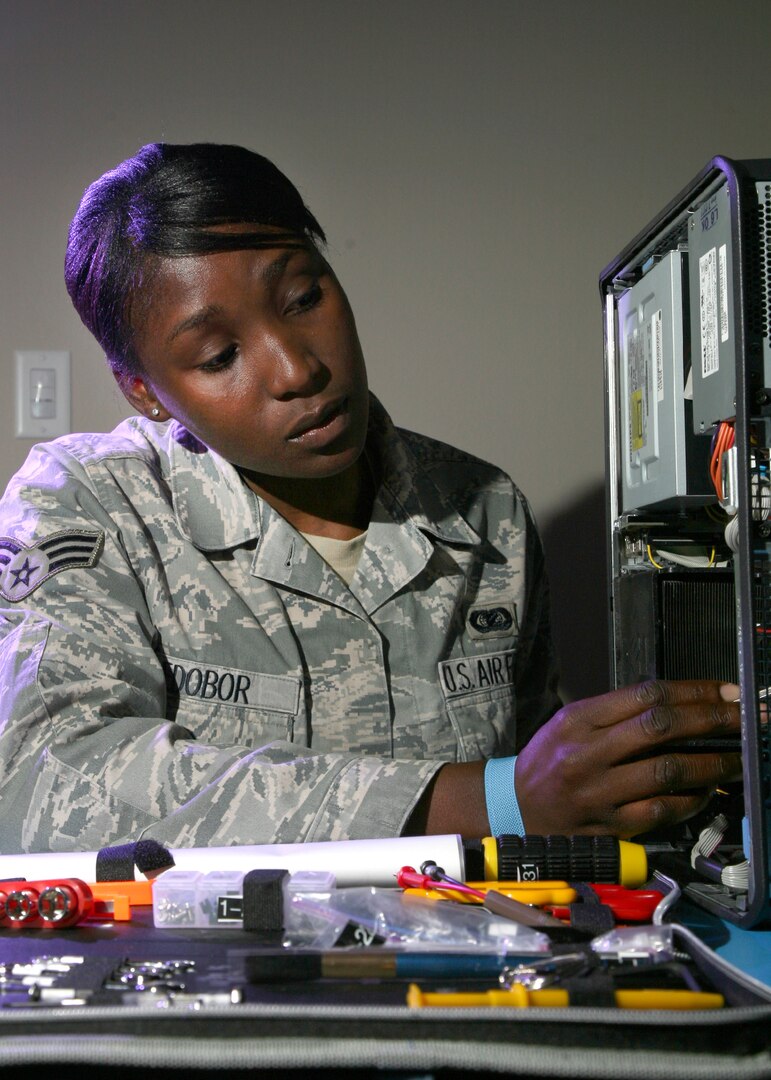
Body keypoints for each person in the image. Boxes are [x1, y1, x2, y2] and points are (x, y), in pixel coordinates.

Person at [0, 143, 741, 854]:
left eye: (302, 297)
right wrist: (485, 800)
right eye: (218, 356)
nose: (297, 368)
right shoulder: (87, 506)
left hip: (469, 962)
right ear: (144, 391)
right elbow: (45, 784)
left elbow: (541, 796)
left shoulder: (483, 511)